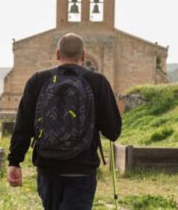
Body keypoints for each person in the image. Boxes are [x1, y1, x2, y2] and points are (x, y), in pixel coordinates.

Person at [7, 32, 122, 210]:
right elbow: (113, 131)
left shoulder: (38, 80)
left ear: (57, 54)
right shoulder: (97, 82)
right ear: (83, 56)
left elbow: (23, 125)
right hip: (82, 169)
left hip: (48, 168)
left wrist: (14, 162)